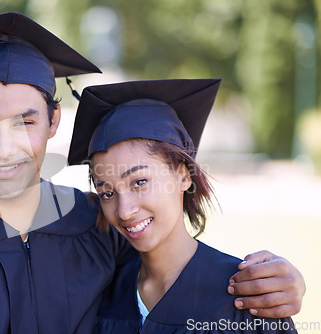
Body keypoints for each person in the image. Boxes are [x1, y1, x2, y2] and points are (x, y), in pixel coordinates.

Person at [0, 13, 304, 334]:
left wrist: (284, 283)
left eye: (26, 121)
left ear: (54, 122)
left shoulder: (96, 225)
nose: (5, 149)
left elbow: (176, 273)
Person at [67, 79, 299, 333]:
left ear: (183, 176)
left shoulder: (245, 297)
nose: (124, 210)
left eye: (139, 182)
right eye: (107, 192)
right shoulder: (107, 292)